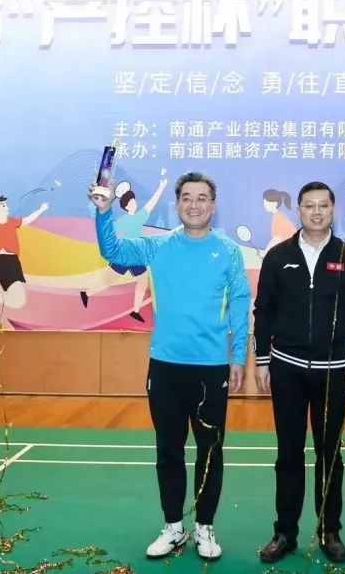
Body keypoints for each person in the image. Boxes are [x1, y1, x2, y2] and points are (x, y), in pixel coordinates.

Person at [90, 172, 250, 561]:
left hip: (211, 369)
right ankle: (174, 526)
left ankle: (205, 527)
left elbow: (240, 304)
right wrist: (104, 211)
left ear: (213, 205)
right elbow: (113, 250)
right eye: (187, 198)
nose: (194, 204)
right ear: (177, 205)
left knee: (210, 451)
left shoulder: (228, 251)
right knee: (169, 451)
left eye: (202, 198)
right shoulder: (158, 245)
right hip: (165, 367)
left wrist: (239, 357)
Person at [253, 181, 345, 565]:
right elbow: (263, 311)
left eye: (324, 205)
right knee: (288, 454)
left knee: (330, 455)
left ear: (332, 210)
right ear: (299, 210)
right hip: (286, 370)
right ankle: (284, 533)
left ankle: (330, 531)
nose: (317, 212)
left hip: (334, 372)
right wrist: (262, 360)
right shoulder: (278, 257)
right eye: (309, 205)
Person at [80, 167, 169, 320]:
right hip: (124, 255)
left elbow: (151, 204)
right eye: (132, 202)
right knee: (109, 279)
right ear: (126, 205)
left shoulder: (137, 217)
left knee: (142, 281)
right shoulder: (125, 220)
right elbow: (108, 234)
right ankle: (87, 293)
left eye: (134, 201)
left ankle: (135, 311)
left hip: (137, 256)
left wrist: (161, 188)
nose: (135, 203)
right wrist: (102, 210)